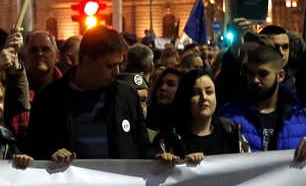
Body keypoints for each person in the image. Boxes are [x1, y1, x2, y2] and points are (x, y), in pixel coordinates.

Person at [25, 25, 150, 161]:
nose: (117, 72)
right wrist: (50, 156)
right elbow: (33, 151)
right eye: (110, 66)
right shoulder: (48, 100)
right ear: (86, 61)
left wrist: (160, 160)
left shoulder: (126, 96)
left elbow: (143, 149)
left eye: (120, 65)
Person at [218, 45, 306, 162]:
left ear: (280, 75)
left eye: (263, 74)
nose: (255, 80)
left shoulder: (302, 117)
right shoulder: (229, 115)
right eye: (251, 73)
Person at [154, 69, 249, 164]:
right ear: (185, 98)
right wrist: (170, 163)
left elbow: (248, 166)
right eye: (195, 93)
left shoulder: (231, 132)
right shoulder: (169, 139)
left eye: (209, 92)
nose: (204, 97)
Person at [9, 30, 62, 141]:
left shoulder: (68, 91)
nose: (40, 54)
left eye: (45, 49)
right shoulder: (15, 94)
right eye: (33, 50)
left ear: (57, 56)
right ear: (25, 58)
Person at [146, 67, 183, 132]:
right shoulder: (145, 119)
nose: (162, 88)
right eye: (160, 84)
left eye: (170, 84)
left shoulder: (190, 124)